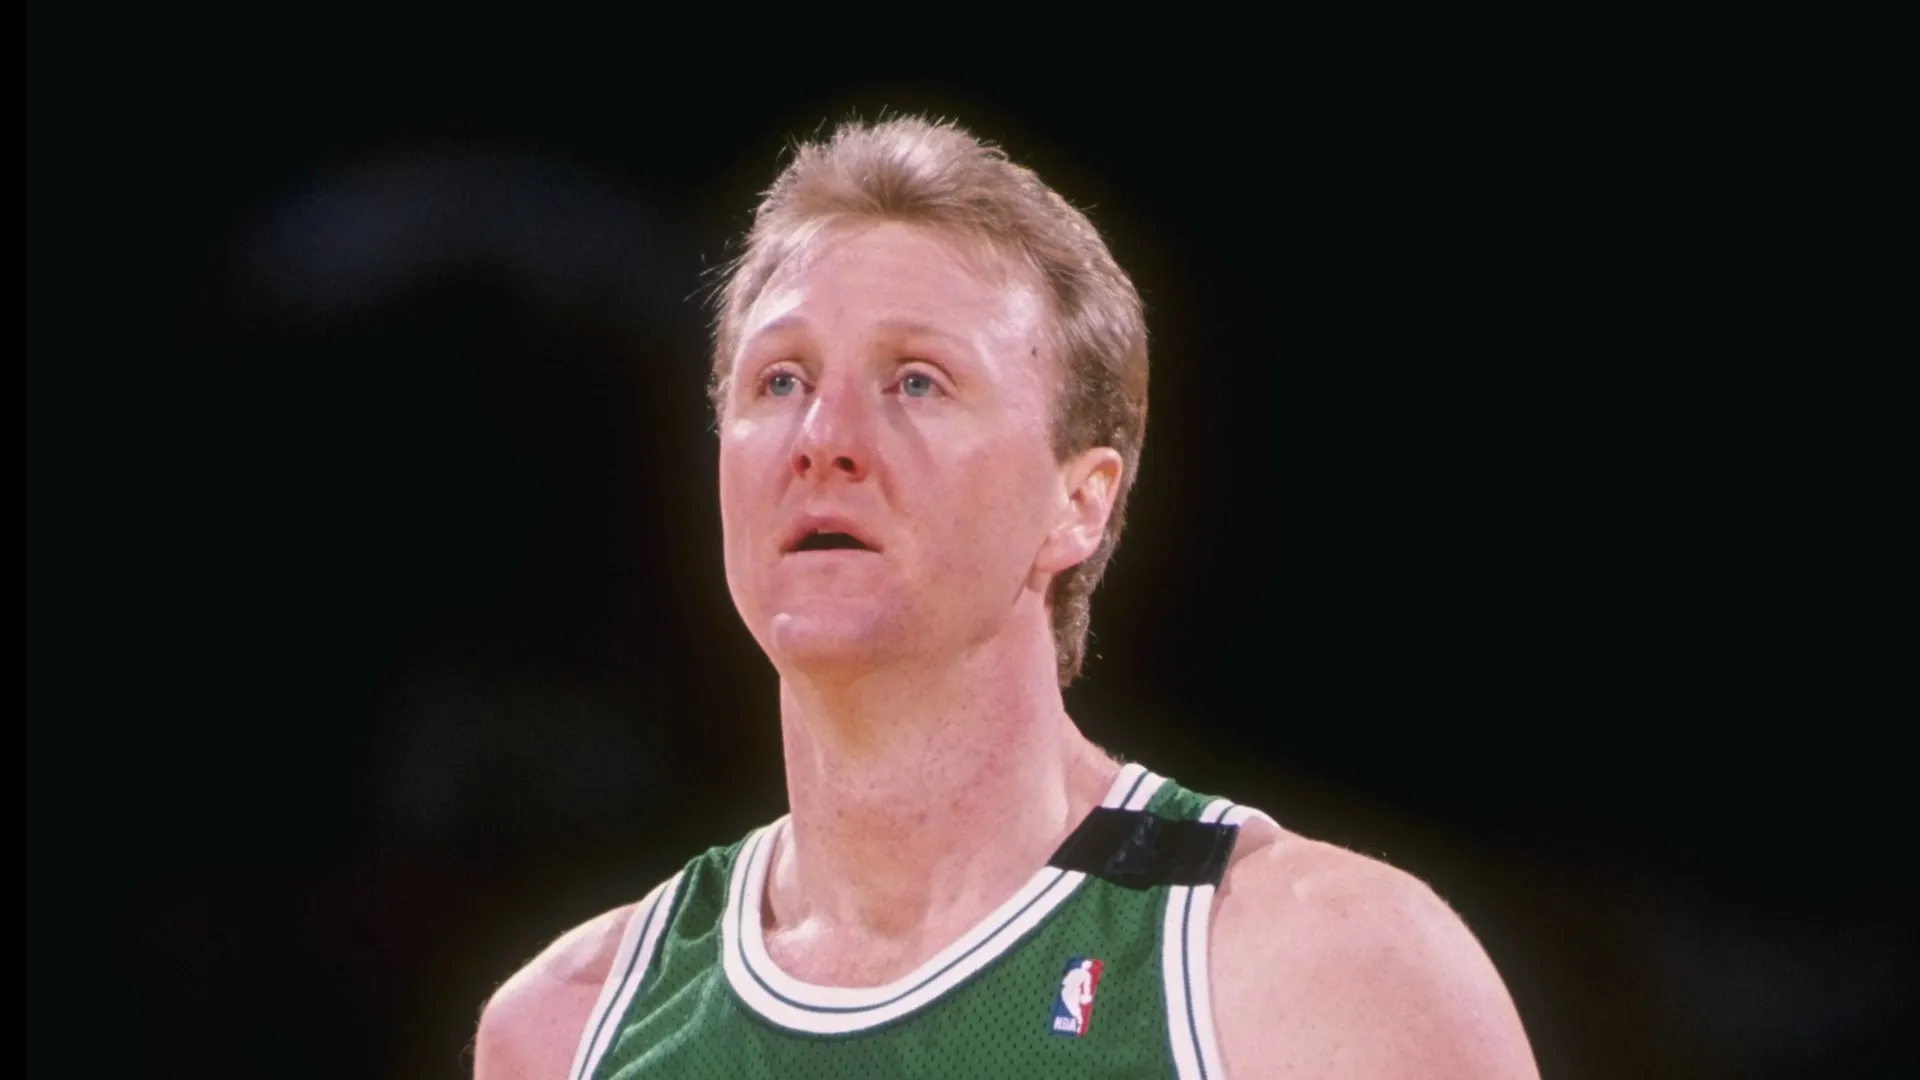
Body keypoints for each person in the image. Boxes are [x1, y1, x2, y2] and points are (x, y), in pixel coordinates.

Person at [474, 115, 1539, 1079]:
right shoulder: (569, 1030)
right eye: (780, 380)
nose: (823, 442)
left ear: (1078, 502)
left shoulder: (1318, 974)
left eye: (917, 381)